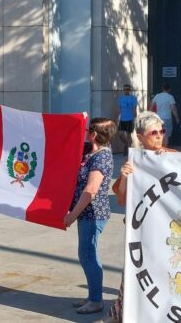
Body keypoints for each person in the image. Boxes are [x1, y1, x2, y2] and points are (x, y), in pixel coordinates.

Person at [108, 111, 177, 321]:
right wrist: (127, 177)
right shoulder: (134, 162)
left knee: (166, 273)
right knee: (134, 271)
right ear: (140, 136)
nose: (159, 136)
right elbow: (122, 197)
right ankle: (120, 313)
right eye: (153, 132)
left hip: (167, 229)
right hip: (141, 229)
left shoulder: (174, 157)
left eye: (161, 131)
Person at [63, 118, 117, 314]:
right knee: (85, 254)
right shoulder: (90, 150)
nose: (85, 131)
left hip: (93, 214)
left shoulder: (101, 157)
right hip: (85, 214)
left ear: (94, 134)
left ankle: (96, 300)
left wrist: (72, 215)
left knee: (88, 255)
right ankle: (92, 295)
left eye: (88, 129)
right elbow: (68, 137)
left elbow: (90, 190)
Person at [116, 84, 139, 155]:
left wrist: (135, 119)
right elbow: (119, 109)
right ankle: (127, 145)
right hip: (122, 119)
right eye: (125, 89)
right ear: (123, 90)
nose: (126, 90)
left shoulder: (133, 98)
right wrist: (117, 118)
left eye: (127, 89)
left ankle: (129, 151)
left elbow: (135, 110)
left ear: (129, 90)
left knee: (129, 135)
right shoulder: (120, 98)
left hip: (130, 119)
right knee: (120, 134)